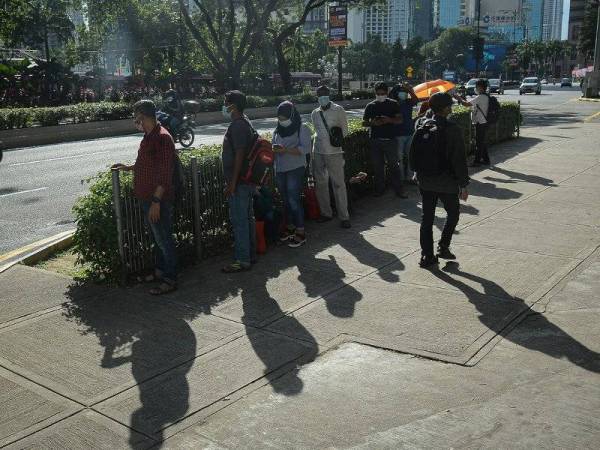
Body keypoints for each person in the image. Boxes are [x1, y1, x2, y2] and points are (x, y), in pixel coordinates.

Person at [112, 100, 178, 294]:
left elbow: (165, 174)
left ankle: (170, 279)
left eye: (136, 116)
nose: (135, 120)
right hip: (146, 199)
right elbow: (146, 163)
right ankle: (160, 271)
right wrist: (128, 167)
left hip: (157, 201)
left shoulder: (162, 138)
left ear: (143, 115)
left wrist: (156, 202)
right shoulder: (148, 136)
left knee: (164, 239)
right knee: (157, 239)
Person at [409, 92, 470, 268]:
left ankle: (427, 256)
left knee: (426, 219)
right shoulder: (452, 129)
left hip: (425, 180)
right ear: (446, 109)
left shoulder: (421, 124)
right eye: (450, 106)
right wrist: (463, 184)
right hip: (447, 182)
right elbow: (459, 159)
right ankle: (443, 246)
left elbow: (414, 152)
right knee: (453, 213)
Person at [221, 90, 257, 273]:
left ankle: (242, 259)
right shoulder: (245, 121)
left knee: (240, 221)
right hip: (245, 181)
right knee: (247, 218)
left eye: (225, 102)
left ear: (232, 106)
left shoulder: (238, 125)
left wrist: (232, 183)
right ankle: (250, 255)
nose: (224, 105)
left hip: (240, 182)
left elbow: (239, 155)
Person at [272, 101, 312, 247]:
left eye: (284, 118)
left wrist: (285, 150)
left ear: (292, 115)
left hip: (295, 167)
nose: (282, 121)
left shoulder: (302, 128)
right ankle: (290, 227)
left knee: (293, 198)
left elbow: (306, 149)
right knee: (285, 200)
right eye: (279, 118)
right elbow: (273, 146)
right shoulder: (277, 130)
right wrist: (274, 149)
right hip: (281, 169)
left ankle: (301, 231)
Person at [310, 85, 351, 228]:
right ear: (317, 97)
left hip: (334, 152)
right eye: (319, 95)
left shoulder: (338, 110)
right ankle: (326, 213)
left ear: (329, 95)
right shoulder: (315, 113)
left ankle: (344, 217)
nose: (322, 97)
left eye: (324, 94)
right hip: (318, 152)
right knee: (321, 184)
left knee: (338, 184)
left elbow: (345, 131)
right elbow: (315, 131)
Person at [362, 82, 407, 198]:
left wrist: (389, 120)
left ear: (387, 93)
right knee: (378, 167)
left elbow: (400, 120)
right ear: (375, 93)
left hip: (390, 140)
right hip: (375, 140)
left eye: (382, 93)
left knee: (394, 166)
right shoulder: (370, 106)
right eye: (378, 93)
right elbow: (364, 122)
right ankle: (379, 189)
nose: (380, 95)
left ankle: (399, 190)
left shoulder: (393, 104)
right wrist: (373, 123)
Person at [454, 78, 490, 166]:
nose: (475, 88)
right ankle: (486, 160)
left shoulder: (481, 97)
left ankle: (477, 162)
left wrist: (457, 97)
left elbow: (466, 104)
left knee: (479, 143)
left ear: (481, 87)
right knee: (481, 142)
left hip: (481, 123)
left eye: (476, 87)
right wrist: (461, 98)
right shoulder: (485, 96)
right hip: (482, 122)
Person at [389, 82, 419, 183]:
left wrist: (410, 90)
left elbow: (416, 100)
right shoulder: (393, 103)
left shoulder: (408, 102)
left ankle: (410, 178)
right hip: (397, 134)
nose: (404, 94)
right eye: (402, 92)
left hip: (410, 133)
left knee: (410, 157)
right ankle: (401, 179)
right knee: (399, 159)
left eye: (405, 92)